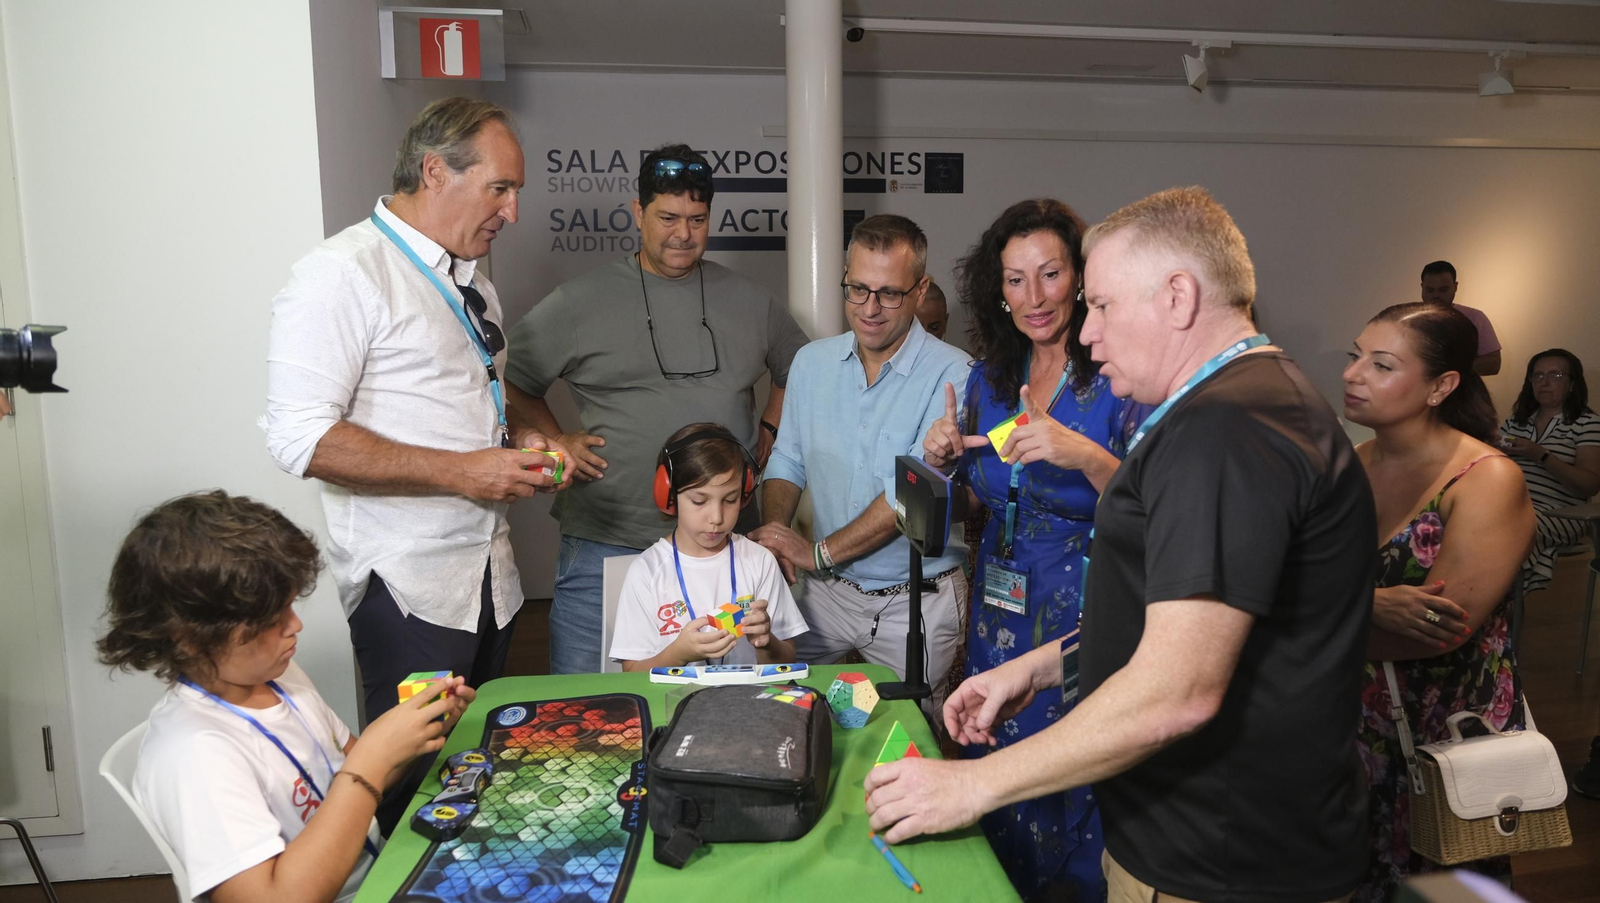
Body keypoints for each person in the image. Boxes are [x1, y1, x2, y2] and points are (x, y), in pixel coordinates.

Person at [866, 187, 1376, 903]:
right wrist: (1044, 668)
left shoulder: (1224, 433)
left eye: (1100, 304)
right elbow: (1199, 628)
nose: (1089, 331)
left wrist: (969, 783)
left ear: (1177, 296)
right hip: (1207, 839)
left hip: (1224, 862)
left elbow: (1177, 691)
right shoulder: (1240, 404)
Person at [262, 97, 554, 830]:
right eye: (501, 188)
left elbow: (461, 401)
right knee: (408, 786)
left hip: (489, 577)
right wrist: (465, 471)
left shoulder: (468, 278)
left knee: (471, 770)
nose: (513, 212)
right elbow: (300, 438)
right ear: (434, 171)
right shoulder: (340, 273)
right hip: (410, 589)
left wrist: (519, 447)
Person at [505, 144, 809, 675]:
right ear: (637, 212)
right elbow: (508, 378)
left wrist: (769, 423)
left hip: (722, 548)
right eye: (667, 217)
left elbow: (803, 369)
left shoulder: (749, 300)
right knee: (588, 700)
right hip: (607, 538)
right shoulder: (579, 302)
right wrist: (556, 439)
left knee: (726, 694)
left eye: (697, 219)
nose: (683, 234)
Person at [920, 198, 1145, 902]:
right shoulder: (991, 378)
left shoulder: (1118, 376)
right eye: (1015, 279)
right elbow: (977, 503)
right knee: (997, 761)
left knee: (1073, 778)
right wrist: (944, 463)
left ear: (1080, 276)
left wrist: (1083, 455)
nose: (1034, 297)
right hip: (998, 608)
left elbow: (1157, 512)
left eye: (1049, 274)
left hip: (1081, 613)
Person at [96, 491, 474, 903]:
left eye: (290, 607)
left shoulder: (279, 676)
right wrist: (370, 761)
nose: (295, 625)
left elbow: (355, 778)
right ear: (187, 637)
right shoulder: (194, 754)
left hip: (378, 875)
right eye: (272, 620)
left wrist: (412, 732)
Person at [1343, 302, 1534, 896]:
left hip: (1444, 728)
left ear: (1441, 386)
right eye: (1355, 357)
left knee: (1443, 883)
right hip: (1363, 719)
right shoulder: (1360, 460)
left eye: (1380, 365)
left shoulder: (1485, 477)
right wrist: (1365, 607)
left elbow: (1436, 630)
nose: (1352, 375)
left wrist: (1304, 621)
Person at [753, 214, 972, 704]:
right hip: (821, 593)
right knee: (785, 709)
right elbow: (787, 460)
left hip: (915, 599)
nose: (870, 309)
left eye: (889, 293)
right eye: (857, 289)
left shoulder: (955, 375)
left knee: (911, 737)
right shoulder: (812, 363)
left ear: (921, 290)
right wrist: (774, 539)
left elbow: (907, 495)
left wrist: (816, 552)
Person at [609, 423, 808, 670]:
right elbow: (632, 672)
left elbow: (786, 660)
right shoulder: (647, 571)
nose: (716, 517)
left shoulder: (760, 561)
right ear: (668, 496)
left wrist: (767, 643)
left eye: (730, 499)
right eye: (699, 501)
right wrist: (679, 654)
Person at [1499, 349, 1600, 594]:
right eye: (1537, 375)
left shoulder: (1588, 423)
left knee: (1504, 531)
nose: (1544, 383)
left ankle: (1497, 609)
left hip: (1563, 513)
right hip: (1510, 504)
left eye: (1555, 375)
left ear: (1572, 383)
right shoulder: (1517, 422)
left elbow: (1589, 486)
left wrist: (1541, 455)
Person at [1420, 261, 1501, 376]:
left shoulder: (1475, 318)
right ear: (1422, 287)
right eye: (1430, 290)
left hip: (1463, 392)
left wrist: (1448, 369)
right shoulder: (1408, 320)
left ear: (1455, 287)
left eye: (1443, 290)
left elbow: (1494, 364)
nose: (1436, 295)